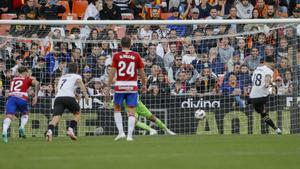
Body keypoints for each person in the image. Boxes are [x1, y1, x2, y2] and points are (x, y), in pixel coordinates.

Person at [107, 36, 147, 141]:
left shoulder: (116, 56)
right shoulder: (136, 55)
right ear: (131, 44)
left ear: (121, 44)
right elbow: (142, 73)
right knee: (132, 111)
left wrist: (108, 85)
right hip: (132, 86)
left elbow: (112, 72)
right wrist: (144, 84)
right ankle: (129, 136)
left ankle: (121, 133)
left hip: (119, 86)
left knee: (117, 109)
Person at [45, 63, 89, 141]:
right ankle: (70, 129)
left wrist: (75, 94)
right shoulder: (76, 76)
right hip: (69, 98)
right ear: (77, 69)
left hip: (58, 98)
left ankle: (49, 131)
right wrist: (85, 95)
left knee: (56, 117)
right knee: (77, 113)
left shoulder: (63, 77)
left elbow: (62, 89)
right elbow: (79, 82)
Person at [2, 66, 40, 143]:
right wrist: (36, 96)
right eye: (28, 72)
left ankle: (4, 131)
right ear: (25, 73)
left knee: (9, 116)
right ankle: (21, 127)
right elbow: (37, 83)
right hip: (22, 98)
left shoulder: (13, 79)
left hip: (11, 98)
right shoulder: (27, 79)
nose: (29, 74)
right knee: (25, 113)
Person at [249, 56, 282, 134]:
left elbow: (253, 80)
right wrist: (272, 85)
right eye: (273, 63)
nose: (274, 65)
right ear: (269, 63)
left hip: (253, 96)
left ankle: (276, 129)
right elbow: (266, 84)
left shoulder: (257, 69)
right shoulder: (269, 71)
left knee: (263, 113)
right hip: (263, 97)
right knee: (263, 112)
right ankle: (277, 129)